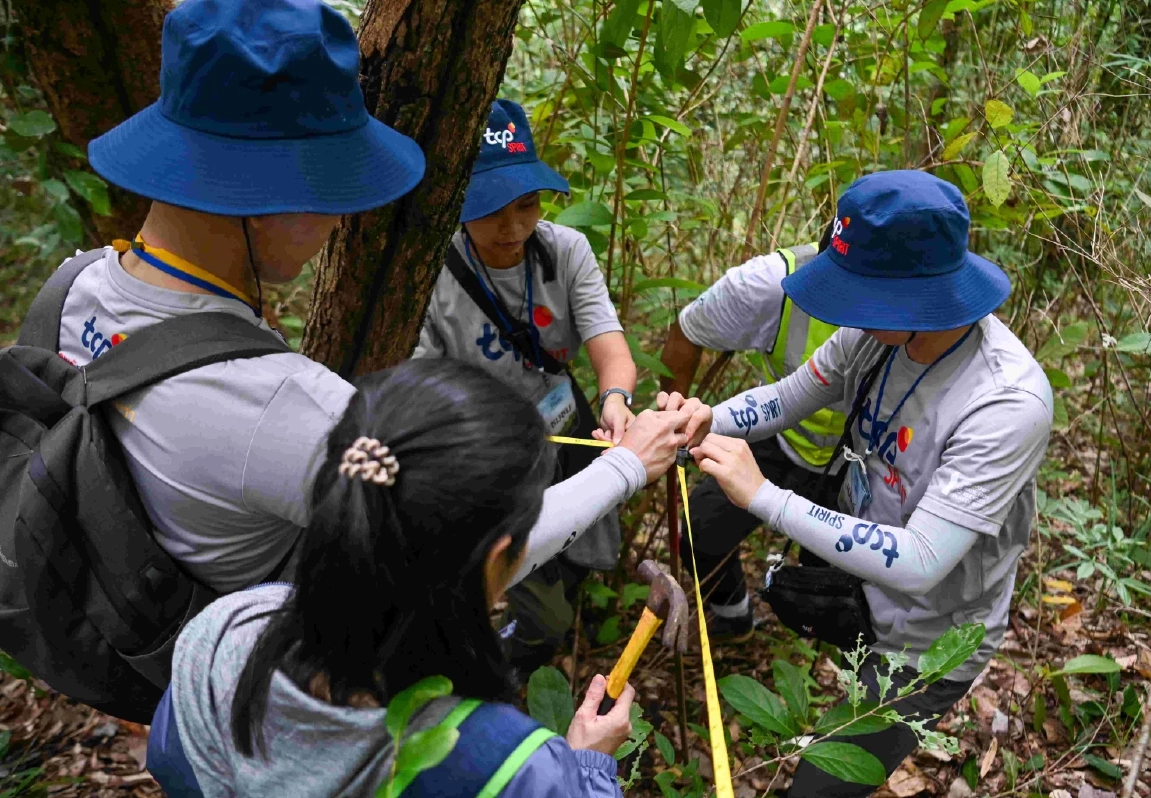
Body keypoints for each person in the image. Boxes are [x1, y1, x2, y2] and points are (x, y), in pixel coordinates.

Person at [64, 0, 689, 598]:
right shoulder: (289, 409)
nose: (341, 222)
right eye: (334, 191)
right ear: (268, 196)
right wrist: (629, 464)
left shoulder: (73, 288)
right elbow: (475, 562)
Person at [687, 171, 1053, 797]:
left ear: (916, 295)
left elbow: (920, 562)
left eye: (859, 292)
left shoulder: (1005, 402)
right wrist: (704, 419)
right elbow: (787, 399)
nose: (844, 310)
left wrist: (765, 497)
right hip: (866, 594)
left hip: (933, 642)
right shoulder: (874, 335)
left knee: (818, 789)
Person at [146, 360, 638, 798]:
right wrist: (587, 767)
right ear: (497, 560)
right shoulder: (510, 766)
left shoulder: (224, 633)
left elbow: (174, 763)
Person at [413, 99, 638, 673]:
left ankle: (555, 627)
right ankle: (510, 661)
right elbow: (424, 384)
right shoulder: (432, 273)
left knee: (584, 539)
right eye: (489, 210)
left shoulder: (564, 251)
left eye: (527, 205)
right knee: (536, 598)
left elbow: (607, 342)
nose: (512, 227)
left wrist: (616, 399)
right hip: (488, 449)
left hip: (568, 423)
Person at [659, 236, 845, 641]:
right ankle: (733, 615)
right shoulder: (770, 283)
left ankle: (818, 648)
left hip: (860, 463)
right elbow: (784, 398)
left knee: (829, 578)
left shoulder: (921, 316)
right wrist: (681, 424)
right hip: (778, 440)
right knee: (700, 534)